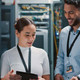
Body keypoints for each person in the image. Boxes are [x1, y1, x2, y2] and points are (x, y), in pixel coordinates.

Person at [55, 0, 80, 80]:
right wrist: (58, 73)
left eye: (71, 12)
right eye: (65, 12)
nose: (67, 16)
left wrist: (78, 77)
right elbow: (61, 57)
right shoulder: (64, 32)